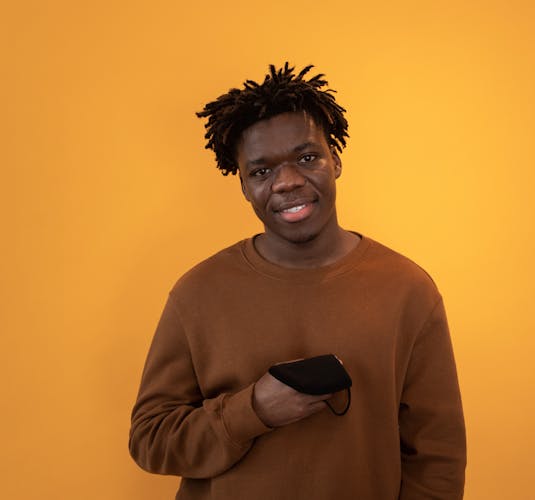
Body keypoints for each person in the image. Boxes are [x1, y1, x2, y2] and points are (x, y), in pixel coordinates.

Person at [129, 63, 466, 499]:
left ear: (336, 160)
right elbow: (150, 441)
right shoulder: (197, 292)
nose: (287, 181)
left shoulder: (407, 289)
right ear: (245, 188)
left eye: (307, 158)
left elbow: (437, 458)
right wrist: (253, 411)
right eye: (262, 171)